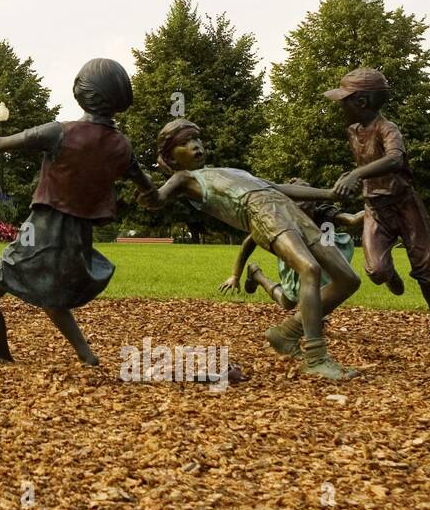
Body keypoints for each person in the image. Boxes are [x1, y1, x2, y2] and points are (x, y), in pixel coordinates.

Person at [0, 59, 152, 369]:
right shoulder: (123, 146)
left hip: (41, 232)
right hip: (77, 240)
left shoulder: (59, 132)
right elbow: (151, 192)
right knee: (52, 295)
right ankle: (87, 357)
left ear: (82, 91)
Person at [142, 119, 362, 381]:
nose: (195, 146)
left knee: (348, 279)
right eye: (184, 144)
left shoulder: (233, 170)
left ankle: (287, 332)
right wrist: (142, 184)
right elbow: (157, 200)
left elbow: (278, 188)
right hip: (260, 213)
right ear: (172, 159)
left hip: (286, 207)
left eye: (196, 140)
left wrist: (330, 195)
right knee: (309, 269)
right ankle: (316, 358)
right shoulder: (184, 178)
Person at [325, 68, 430, 348]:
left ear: (362, 102)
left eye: (344, 99)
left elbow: (394, 160)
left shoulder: (387, 128)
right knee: (377, 270)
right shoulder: (352, 130)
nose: (340, 105)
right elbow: (368, 166)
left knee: (426, 266)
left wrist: (357, 175)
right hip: (376, 206)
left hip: (404, 204)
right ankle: (390, 274)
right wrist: (354, 180)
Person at [217, 178, 363, 312]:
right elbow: (249, 242)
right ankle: (257, 275)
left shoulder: (323, 214)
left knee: (326, 286)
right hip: (295, 256)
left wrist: (376, 207)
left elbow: (352, 219)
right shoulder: (279, 220)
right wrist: (235, 276)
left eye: (309, 208)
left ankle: (317, 316)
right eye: (299, 210)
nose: (303, 215)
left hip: (322, 258)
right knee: (288, 302)